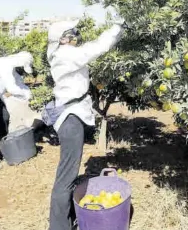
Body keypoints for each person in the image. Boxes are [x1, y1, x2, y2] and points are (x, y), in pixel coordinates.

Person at [45, 18, 126, 230]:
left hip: (72, 116)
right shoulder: (65, 55)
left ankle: (64, 221)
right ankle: (58, 226)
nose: (77, 34)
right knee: (66, 177)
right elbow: (98, 47)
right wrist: (118, 27)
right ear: (64, 38)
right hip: (70, 120)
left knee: (68, 173)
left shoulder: (61, 53)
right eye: (73, 31)